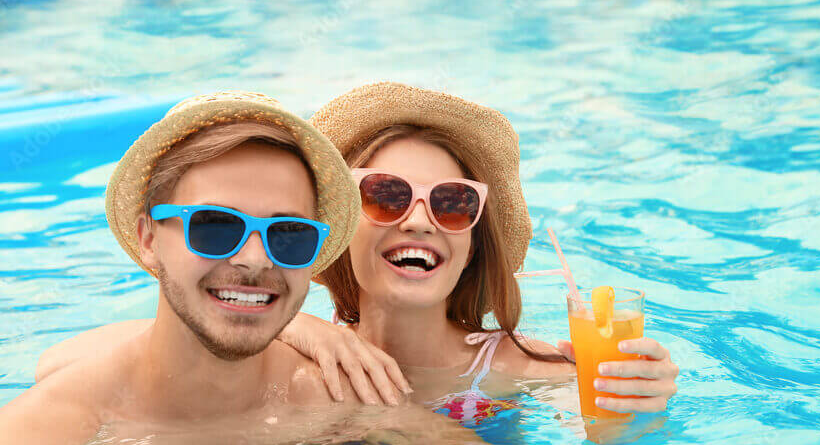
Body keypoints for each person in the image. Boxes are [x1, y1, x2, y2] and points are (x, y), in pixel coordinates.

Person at [37, 82, 679, 418]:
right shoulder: (283, 347)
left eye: (452, 202)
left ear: (471, 239)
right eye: (387, 196)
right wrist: (311, 332)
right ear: (339, 228)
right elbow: (67, 361)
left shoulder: (535, 374)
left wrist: (636, 410)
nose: (420, 221)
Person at [0, 91, 475, 445]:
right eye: (213, 226)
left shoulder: (331, 391)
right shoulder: (57, 426)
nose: (254, 258)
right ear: (149, 239)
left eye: (289, 233)